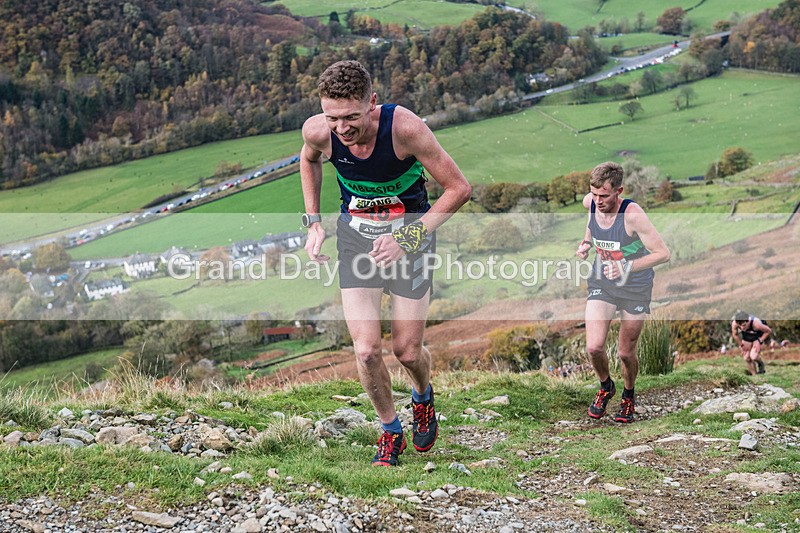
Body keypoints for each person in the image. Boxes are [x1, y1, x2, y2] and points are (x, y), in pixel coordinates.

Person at [299, 60, 471, 466]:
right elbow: (308, 160)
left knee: (408, 352)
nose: (342, 128)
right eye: (333, 117)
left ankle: (423, 397)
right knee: (367, 351)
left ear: (372, 103)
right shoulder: (318, 131)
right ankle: (391, 430)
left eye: (351, 117)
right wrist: (313, 222)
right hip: (356, 241)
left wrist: (408, 239)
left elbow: (459, 189)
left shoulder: (404, 129)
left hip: (411, 241)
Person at [576, 162, 671, 423]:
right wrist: (586, 243)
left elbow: (663, 254)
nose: (598, 201)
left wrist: (626, 266)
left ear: (619, 191)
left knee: (625, 353)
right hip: (602, 282)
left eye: (604, 196)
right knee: (594, 347)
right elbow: (591, 225)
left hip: (635, 288)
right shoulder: (591, 202)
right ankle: (606, 386)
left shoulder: (632, 215)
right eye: (594, 195)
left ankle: (628, 394)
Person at [731, 311, 771, 375]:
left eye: (744, 325)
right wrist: (741, 345)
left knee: (754, 356)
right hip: (747, 335)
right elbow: (735, 335)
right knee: (746, 357)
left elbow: (768, 331)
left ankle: (760, 363)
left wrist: (759, 340)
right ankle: (754, 375)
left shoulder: (756, 324)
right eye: (739, 326)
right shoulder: (735, 323)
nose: (742, 328)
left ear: (748, 321)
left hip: (758, 335)